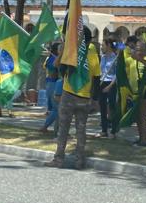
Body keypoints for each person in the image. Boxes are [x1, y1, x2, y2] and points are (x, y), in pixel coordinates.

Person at [48, 26, 101, 170]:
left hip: (69, 94)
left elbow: (59, 69)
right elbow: (97, 79)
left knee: (63, 129)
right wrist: (95, 100)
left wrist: (64, 49)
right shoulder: (94, 54)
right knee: (81, 130)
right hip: (84, 97)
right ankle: (79, 161)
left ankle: (58, 159)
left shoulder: (72, 51)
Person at [98, 38, 119, 138]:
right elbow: (101, 70)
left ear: (109, 45)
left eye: (103, 45)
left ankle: (114, 131)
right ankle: (104, 130)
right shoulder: (102, 57)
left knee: (112, 106)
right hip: (102, 82)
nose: (102, 47)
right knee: (102, 106)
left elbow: (117, 75)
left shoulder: (115, 57)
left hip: (111, 83)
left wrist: (110, 86)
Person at [41, 43, 61, 133]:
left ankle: (55, 128)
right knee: (56, 109)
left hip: (49, 84)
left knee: (55, 108)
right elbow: (54, 73)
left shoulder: (50, 58)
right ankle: (46, 126)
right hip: (54, 84)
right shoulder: (55, 59)